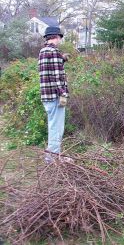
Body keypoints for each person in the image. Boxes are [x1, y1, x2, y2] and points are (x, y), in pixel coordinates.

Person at [38, 26, 70, 163]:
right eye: (60, 38)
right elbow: (57, 77)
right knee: (57, 128)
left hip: (46, 96)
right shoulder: (55, 52)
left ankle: (52, 156)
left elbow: (48, 69)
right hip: (55, 97)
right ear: (57, 37)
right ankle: (52, 159)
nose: (60, 40)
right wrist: (64, 93)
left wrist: (62, 59)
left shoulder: (43, 51)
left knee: (53, 126)